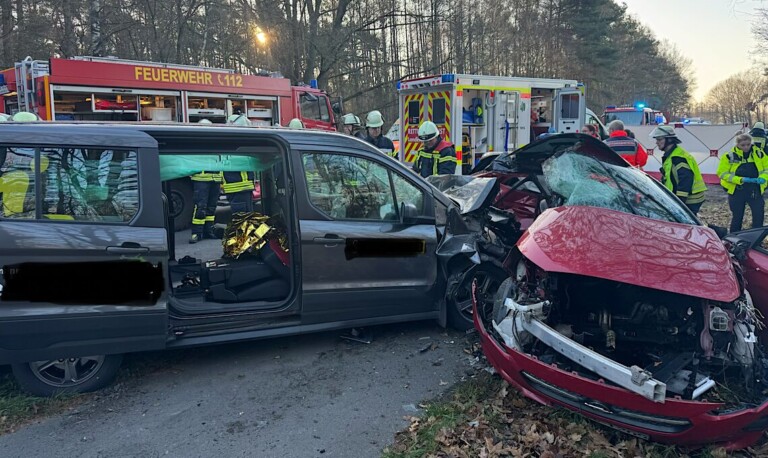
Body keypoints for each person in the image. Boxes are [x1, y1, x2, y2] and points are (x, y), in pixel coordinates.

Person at [717, 133, 768, 232]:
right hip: (737, 190)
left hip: (754, 189)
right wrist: (740, 179)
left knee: (758, 215)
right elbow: (722, 173)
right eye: (743, 145)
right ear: (737, 145)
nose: (746, 147)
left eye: (748, 144)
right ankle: (734, 238)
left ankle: (756, 239)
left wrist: (763, 178)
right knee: (737, 217)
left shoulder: (759, 154)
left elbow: (766, 169)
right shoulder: (729, 156)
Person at [650, 125, 706, 215]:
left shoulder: (678, 157)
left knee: (686, 224)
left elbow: (686, 180)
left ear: (669, 140)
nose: (657, 142)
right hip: (687, 198)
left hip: (691, 199)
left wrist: (679, 203)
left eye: (659, 139)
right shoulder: (671, 155)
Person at [189, 119, 221, 244]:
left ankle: (208, 231)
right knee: (200, 207)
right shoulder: (197, 143)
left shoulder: (215, 142)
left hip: (215, 179)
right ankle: (196, 233)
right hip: (201, 179)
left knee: (212, 208)